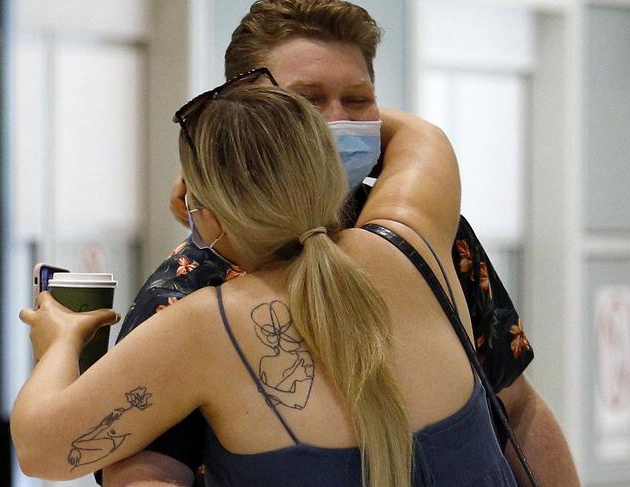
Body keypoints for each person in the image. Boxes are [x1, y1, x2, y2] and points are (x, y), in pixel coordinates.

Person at [99, 1, 579, 486]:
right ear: (250, 110)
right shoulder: (188, 288)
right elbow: (143, 468)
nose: (337, 123)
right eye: (307, 101)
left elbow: (515, 406)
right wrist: (227, 144)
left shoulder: (428, 241)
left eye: (357, 100)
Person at [14, 82, 517, 486]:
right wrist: (305, 120)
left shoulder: (205, 327)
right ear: (331, 169)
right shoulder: (411, 241)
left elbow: (43, 451)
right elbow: (419, 137)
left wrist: (60, 341)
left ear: (205, 219)